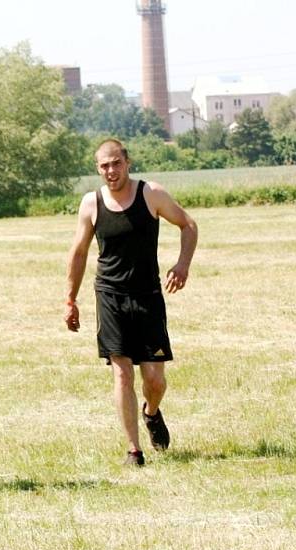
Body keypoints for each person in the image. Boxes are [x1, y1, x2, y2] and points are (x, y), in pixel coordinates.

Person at [64, 139, 197, 466]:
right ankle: (133, 450)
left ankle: (151, 413)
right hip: (109, 295)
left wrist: (182, 265)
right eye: (104, 165)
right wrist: (70, 299)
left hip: (148, 296)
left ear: (127, 162)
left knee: (154, 379)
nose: (111, 171)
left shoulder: (151, 194)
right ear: (98, 168)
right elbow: (79, 252)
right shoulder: (91, 203)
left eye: (116, 163)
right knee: (122, 373)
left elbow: (188, 224)